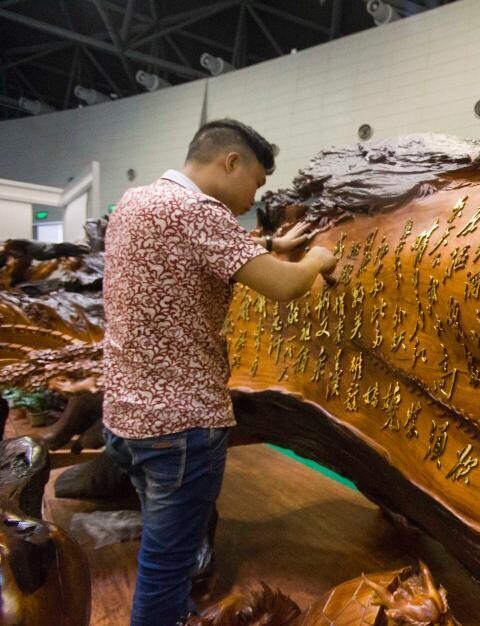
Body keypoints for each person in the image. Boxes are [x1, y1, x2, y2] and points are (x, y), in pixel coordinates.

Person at [102, 118, 336, 626]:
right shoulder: (200, 213)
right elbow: (284, 288)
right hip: (179, 428)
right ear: (231, 161)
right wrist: (317, 257)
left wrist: (267, 247)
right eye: (255, 181)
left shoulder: (134, 202)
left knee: (166, 550)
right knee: (166, 567)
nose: (252, 196)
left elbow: (185, 258)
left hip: (125, 417)